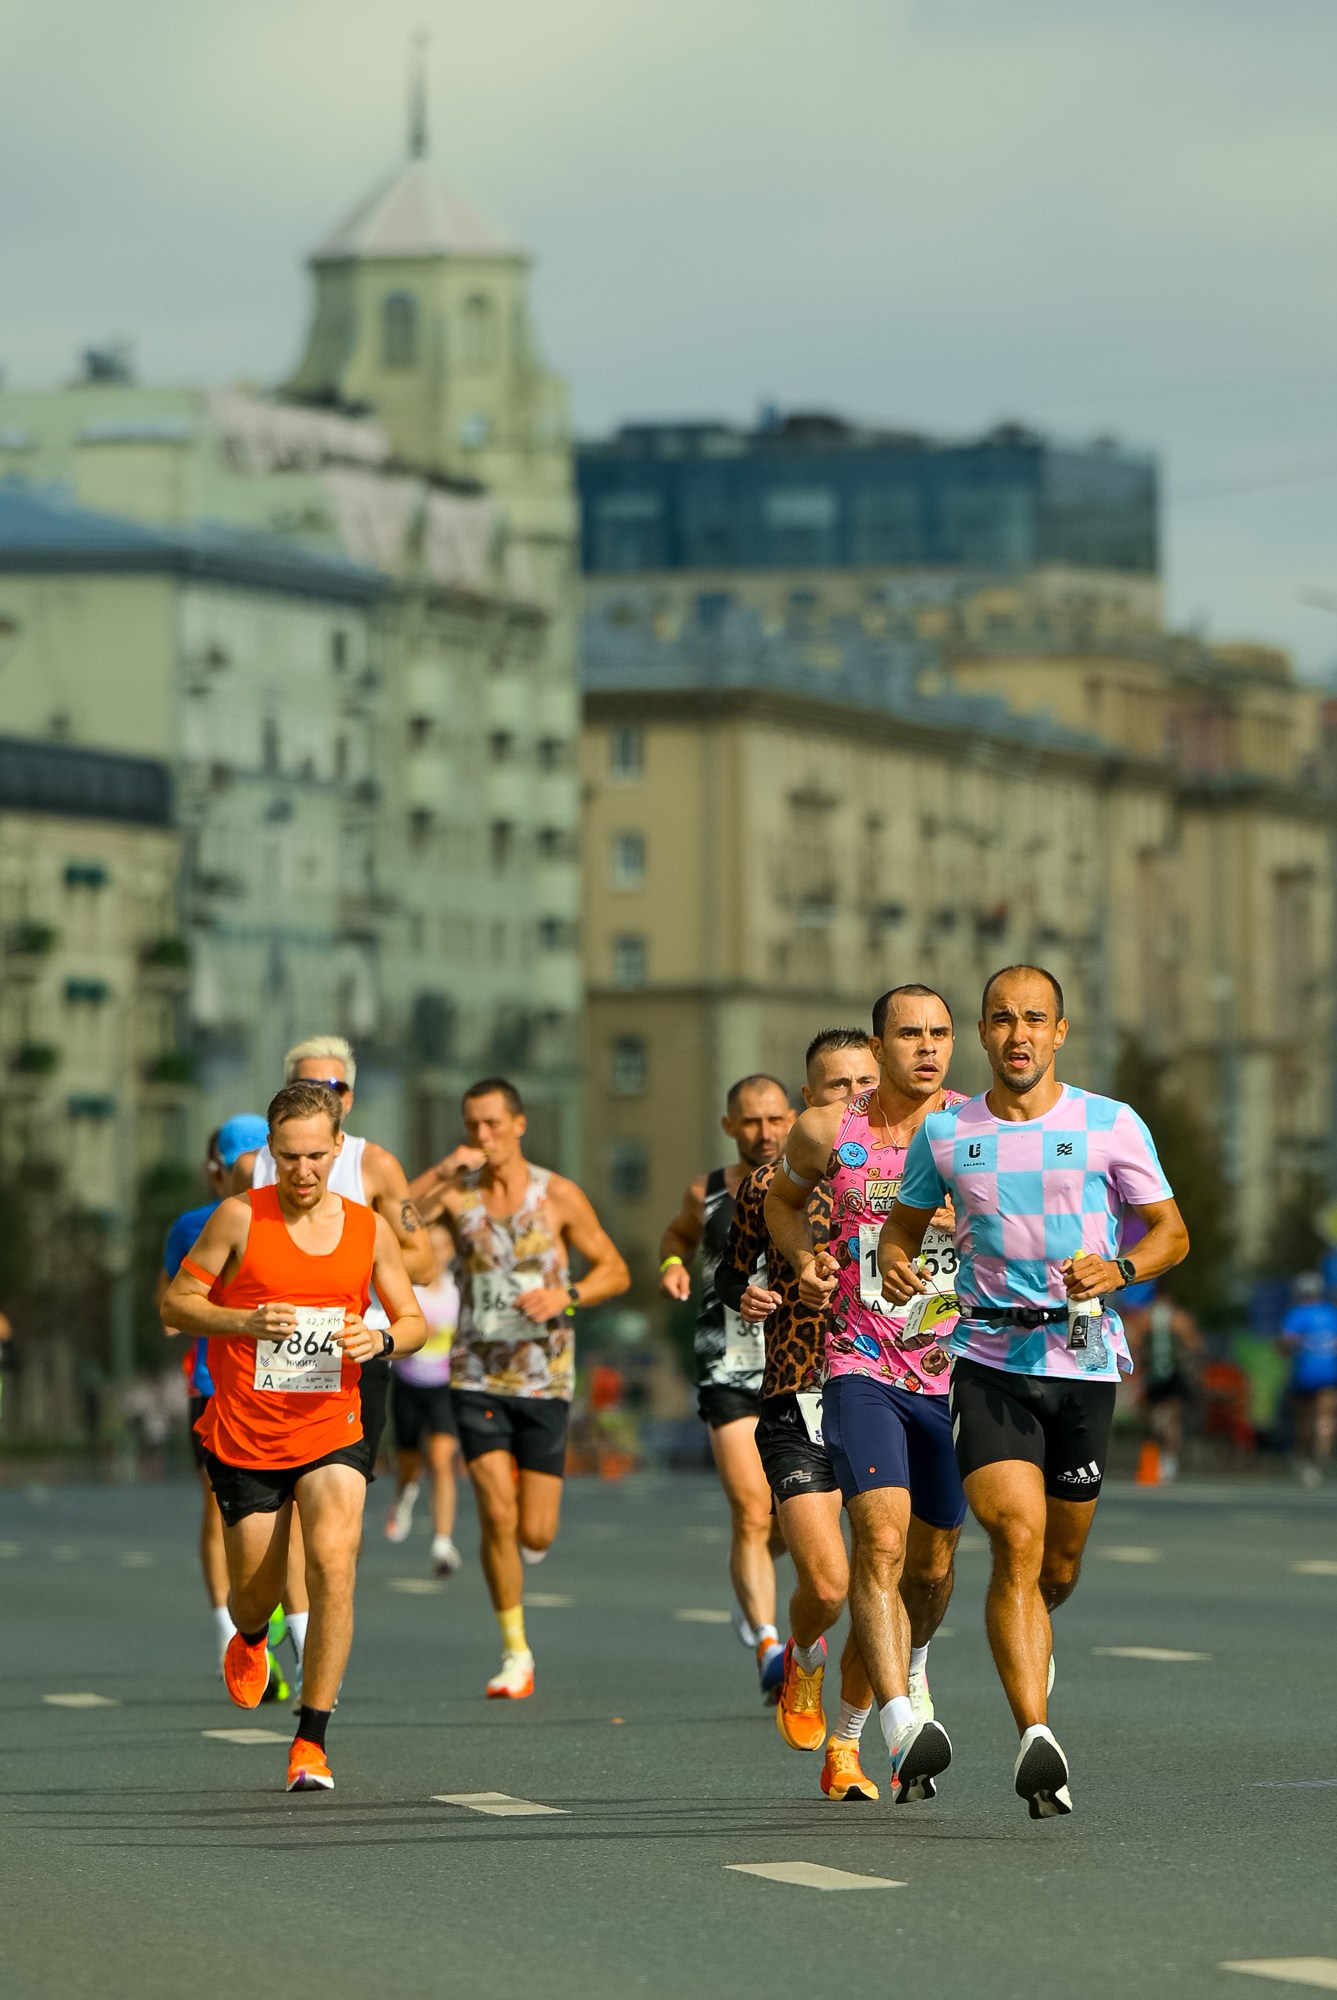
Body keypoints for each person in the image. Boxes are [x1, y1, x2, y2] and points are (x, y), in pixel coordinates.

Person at [880, 964, 1189, 1819]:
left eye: (1034, 1019)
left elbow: (1172, 1233)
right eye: (1001, 1019)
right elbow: (900, 1232)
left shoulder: (1108, 1124)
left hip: (1083, 1363)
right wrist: (895, 1261)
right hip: (987, 1359)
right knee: (1014, 1539)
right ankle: (1036, 1739)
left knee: (1055, 1566)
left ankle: (1035, 1639)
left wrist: (1120, 1266)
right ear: (982, 1033)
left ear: (1058, 1032)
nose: (1017, 1034)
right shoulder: (946, 1136)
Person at [161, 1080, 427, 1793]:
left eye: (314, 1156)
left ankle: (311, 1738)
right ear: (269, 1155)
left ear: (337, 1147)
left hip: (332, 1421)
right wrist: (244, 1321)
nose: (302, 1171)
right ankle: (250, 1638)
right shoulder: (238, 1218)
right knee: (257, 1593)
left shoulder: (367, 1228)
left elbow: (412, 1318)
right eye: (288, 1158)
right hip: (246, 1430)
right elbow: (177, 1304)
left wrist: (378, 1338)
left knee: (334, 1564)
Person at [767, 989, 966, 1807]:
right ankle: (895, 1725)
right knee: (876, 1550)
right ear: (878, 1046)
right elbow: (781, 1202)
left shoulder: (978, 1129)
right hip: (858, 1360)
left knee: (933, 1567)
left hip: (958, 1368)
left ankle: (891, 1686)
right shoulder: (826, 1132)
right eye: (908, 1035)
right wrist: (805, 1259)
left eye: (939, 1034)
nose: (926, 1049)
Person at [411, 1078, 630, 1699]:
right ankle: (516, 1651)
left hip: (544, 1378)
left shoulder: (556, 1195)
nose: (482, 1136)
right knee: (495, 1514)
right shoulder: (457, 1197)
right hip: (476, 1374)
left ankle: (517, 1514)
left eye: (492, 1124)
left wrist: (566, 1295)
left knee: (535, 1532)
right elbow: (389, 1221)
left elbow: (615, 1269)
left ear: (519, 1124)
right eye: (471, 1126)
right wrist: (438, 1173)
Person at [717, 1029, 881, 1801]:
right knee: (827, 1579)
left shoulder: (919, 1170)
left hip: (897, 1386)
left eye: (861, 1082)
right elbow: (730, 1275)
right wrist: (746, 1293)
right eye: (832, 1085)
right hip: (799, 1392)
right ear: (805, 1101)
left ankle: (846, 1749)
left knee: (887, 1579)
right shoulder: (764, 1187)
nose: (850, 1096)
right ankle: (803, 1655)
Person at [659, 1074, 795, 1697]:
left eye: (773, 1119)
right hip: (728, 1363)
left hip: (801, 1363)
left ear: (792, 1119)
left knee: (784, 1519)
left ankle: (754, 1583)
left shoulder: (816, 1183)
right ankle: (769, 1645)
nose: (763, 1133)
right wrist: (670, 1267)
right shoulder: (707, 1192)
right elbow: (679, 1237)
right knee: (750, 1507)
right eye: (750, 1122)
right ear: (729, 1127)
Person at [252, 1036, 437, 1477]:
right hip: (266, 1353)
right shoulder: (252, 1166)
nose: (319, 1095)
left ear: (348, 1099)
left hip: (354, 1349)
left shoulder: (373, 1164)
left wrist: (342, 1264)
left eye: (331, 1086)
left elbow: (424, 1264)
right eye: (305, 1085)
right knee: (279, 1511)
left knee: (338, 1503)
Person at [159, 1115, 269, 1674]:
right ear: (218, 1169)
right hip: (214, 1384)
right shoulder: (195, 1227)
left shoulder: (297, 1224)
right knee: (221, 1509)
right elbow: (171, 1311)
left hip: (284, 1387)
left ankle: (263, 1627)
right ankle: (236, 1634)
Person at [386, 1221, 464, 1574]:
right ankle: (404, 1495)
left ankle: (442, 1543)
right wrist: (415, 1334)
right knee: (409, 1463)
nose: (437, 1254)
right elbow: (391, 1336)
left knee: (441, 1458)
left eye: (443, 1246)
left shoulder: (457, 1290)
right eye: (429, 1246)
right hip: (408, 1385)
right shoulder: (407, 1289)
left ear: (452, 1251)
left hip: (444, 1388)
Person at [1126, 1286, 1202, 1482]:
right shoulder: (1159, 1318)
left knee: (1168, 1419)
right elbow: (1195, 1347)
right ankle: (1165, 1459)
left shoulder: (1168, 1318)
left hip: (1168, 1375)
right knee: (1159, 1420)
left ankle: (1168, 1460)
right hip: (1160, 1375)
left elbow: (1193, 1346)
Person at [1278, 1273, 1337, 1487]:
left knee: (1303, 1421)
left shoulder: (1296, 1314)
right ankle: (1322, 1452)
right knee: (1326, 1416)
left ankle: (1304, 1460)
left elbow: (1285, 1345)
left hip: (1303, 1374)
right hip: (1330, 1373)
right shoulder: (1331, 1313)